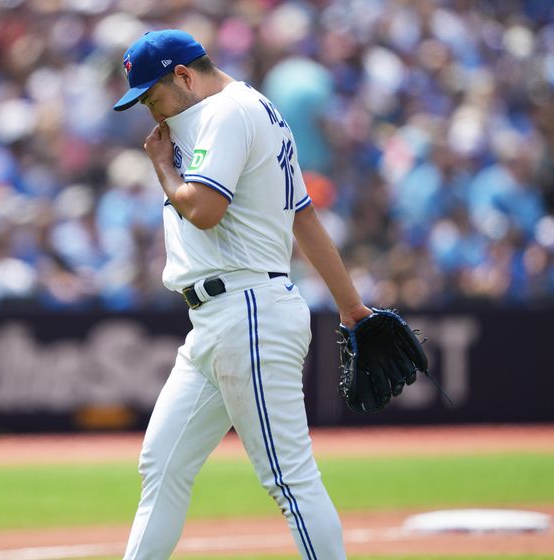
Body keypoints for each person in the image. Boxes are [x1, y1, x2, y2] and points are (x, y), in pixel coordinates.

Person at [113, 29, 372, 559]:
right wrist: (351, 306)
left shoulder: (226, 113)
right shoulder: (261, 109)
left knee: (289, 479)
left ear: (183, 75)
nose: (151, 114)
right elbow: (303, 217)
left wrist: (162, 166)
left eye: (152, 97)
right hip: (219, 321)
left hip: (247, 309)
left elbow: (205, 210)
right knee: (162, 465)